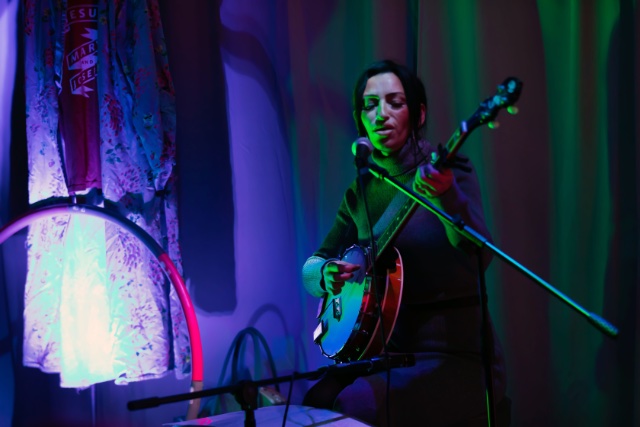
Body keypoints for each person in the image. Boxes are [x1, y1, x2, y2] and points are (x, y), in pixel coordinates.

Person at [301, 60, 508, 426]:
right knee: (314, 398)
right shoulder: (360, 191)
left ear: (418, 113)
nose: (381, 114)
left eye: (395, 102)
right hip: (386, 354)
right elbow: (311, 266)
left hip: (454, 355)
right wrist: (325, 273)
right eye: (370, 105)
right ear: (360, 118)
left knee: (354, 406)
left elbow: (480, 254)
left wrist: (447, 196)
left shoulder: (449, 170)